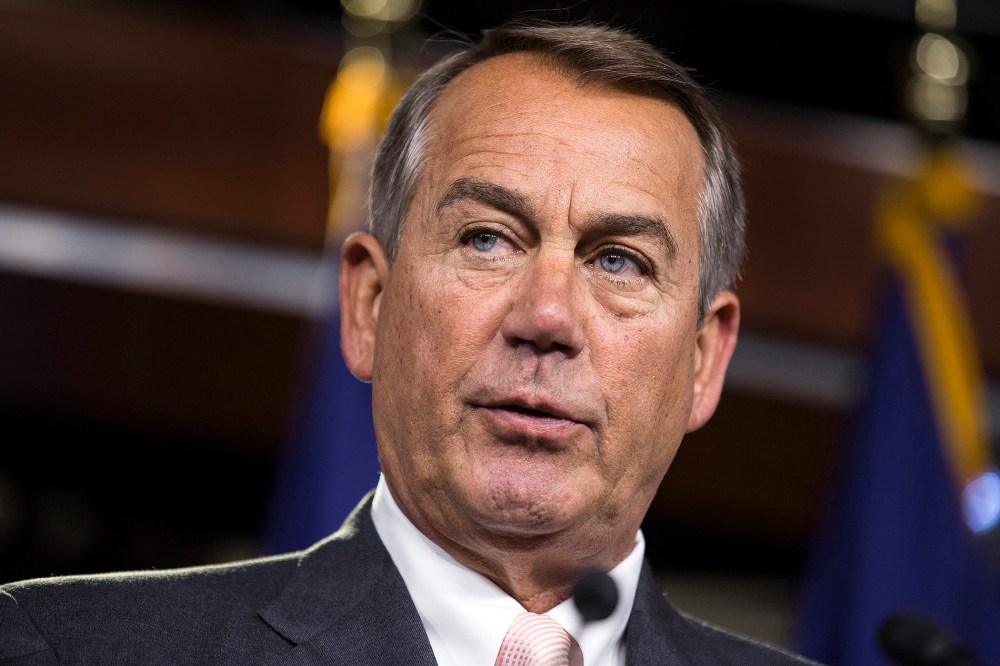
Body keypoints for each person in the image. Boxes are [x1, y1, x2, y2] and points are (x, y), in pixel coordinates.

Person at [0, 20, 821, 665]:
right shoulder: (63, 647)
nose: (546, 316)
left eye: (619, 260)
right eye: (488, 240)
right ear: (370, 303)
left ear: (705, 362)